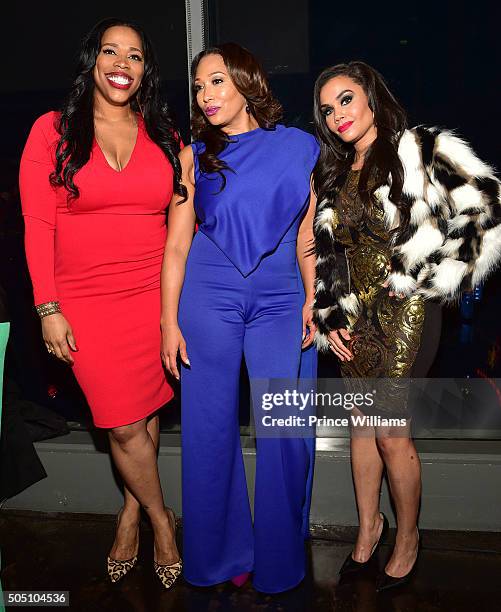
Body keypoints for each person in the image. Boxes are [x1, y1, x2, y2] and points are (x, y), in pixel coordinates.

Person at [311, 61, 501, 591]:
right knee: (361, 430)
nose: (337, 115)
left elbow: (487, 205)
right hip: (356, 323)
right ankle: (368, 528)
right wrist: (330, 317)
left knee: (393, 433)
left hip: (409, 316)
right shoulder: (333, 172)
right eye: (327, 109)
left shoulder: (420, 149)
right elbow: (330, 258)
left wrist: (435, 277)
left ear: (371, 97)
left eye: (346, 99)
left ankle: (410, 535)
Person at [19, 18, 183, 589]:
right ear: (92, 61)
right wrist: (47, 307)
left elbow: (182, 221)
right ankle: (162, 520)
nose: (122, 63)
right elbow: (37, 225)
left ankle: (133, 511)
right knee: (121, 425)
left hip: (152, 298)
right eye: (111, 52)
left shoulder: (163, 133)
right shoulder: (52, 131)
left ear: (145, 71)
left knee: (143, 408)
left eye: (135, 56)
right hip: (84, 303)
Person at [160, 43, 319, 593]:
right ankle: (221, 557)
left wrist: (312, 297)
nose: (206, 95)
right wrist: (168, 321)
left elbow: (307, 236)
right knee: (208, 429)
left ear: (246, 82)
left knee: (285, 429)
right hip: (208, 296)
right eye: (199, 86)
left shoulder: (300, 148)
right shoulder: (191, 155)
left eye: (217, 82)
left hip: (280, 299)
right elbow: (176, 247)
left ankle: (279, 559)